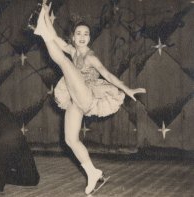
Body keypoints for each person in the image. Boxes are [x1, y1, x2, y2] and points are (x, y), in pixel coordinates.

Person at [32, 1, 146, 195]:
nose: (82, 37)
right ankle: (92, 171)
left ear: (90, 38)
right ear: (74, 38)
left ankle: (40, 29)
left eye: (86, 34)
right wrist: (47, 18)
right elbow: (56, 39)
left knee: (63, 63)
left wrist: (127, 89)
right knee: (70, 139)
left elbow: (108, 75)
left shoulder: (90, 56)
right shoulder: (73, 50)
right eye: (79, 34)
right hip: (75, 99)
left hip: (88, 94)